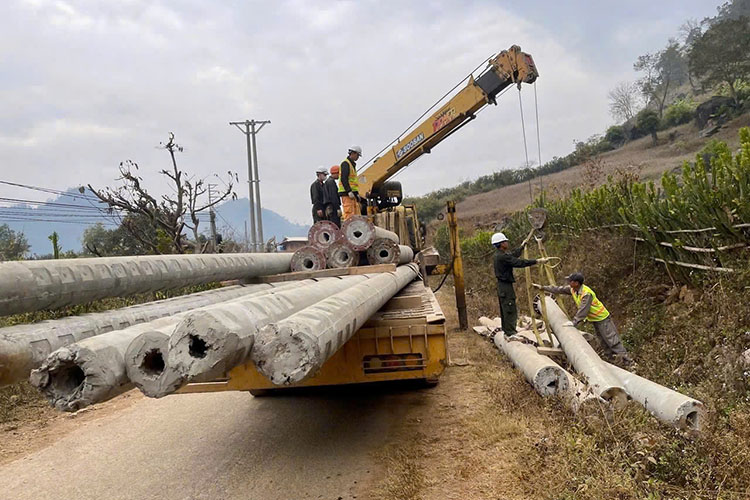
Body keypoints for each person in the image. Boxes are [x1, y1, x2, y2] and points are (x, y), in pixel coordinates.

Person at [533, 272, 634, 365]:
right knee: (603, 341)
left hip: (602, 318)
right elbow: (559, 289)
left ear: (576, 283)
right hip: (595, 320)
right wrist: (543, 287)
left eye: (570, 281)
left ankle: (628, 362)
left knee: (612, 340)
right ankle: (612, 361)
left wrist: (574, 322)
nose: (568, 282)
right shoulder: (573, 289)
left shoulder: (586, 293)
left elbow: (583, 310)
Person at [492, 231, 552, 336]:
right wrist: (537, 261)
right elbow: (519, 262)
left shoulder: (500, 255)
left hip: (503, 285)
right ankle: (510, 333)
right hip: (505, 286)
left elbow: (513, 255)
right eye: (505, 241)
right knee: (509, 308)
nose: (507, 243)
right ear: (501, 244)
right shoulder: (502, 257)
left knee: (506, 308)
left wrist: (522, 246)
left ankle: (508, 331)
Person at [338, 145, 362, 221]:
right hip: (346, 193)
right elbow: (344, 179)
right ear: (353, 153)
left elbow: (353, 182)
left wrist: (356, 193)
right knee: (349, 214)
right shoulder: (345, 164)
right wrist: (348, 191)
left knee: (356, 214)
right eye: (357, 155)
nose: (358, 158)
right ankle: (348, 230)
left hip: (352, 193)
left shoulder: (352, 164)